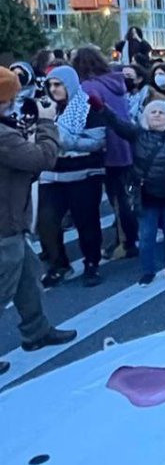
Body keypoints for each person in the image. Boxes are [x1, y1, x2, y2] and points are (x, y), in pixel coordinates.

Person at [0, 67, 76, 369]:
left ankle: (36, 331)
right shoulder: (2, 135)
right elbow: (41, 159)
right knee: (4, 284)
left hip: (11, 217)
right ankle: (36, 331)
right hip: (5, 222)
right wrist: (46, 124)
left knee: (28, 276)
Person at [94, 99, 165, 285]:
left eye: (162, 112)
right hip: (146, 195)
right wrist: (102, 107)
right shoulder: (138, 134)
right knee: (146, 236)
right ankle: (147, 271)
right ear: (146, 117)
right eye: (153, 112)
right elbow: (117, 124)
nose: (157, 115)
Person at [36, 64, 108, 287]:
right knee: (46, 222)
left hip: (84, 173)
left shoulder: (87, 107)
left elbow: (98, 141)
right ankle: (59, 265)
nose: (54, 89)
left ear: (70, 84)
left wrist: (64, 140)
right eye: (50, 85)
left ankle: (91, 263)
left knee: (86, 221)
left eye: (58, 85)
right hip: (51, 174)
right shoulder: (44, 108)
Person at [73, 45, 139, 260]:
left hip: (107, 144)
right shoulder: (115, 82)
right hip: (124, 141)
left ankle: (125, 242)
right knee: (123, 195)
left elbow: (79, 118)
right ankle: (129, 238)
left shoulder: (88, 87)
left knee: (117, 198)